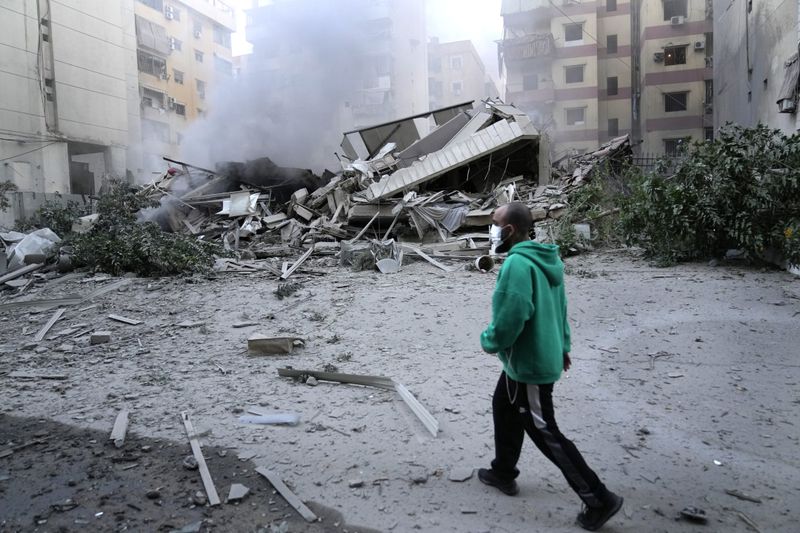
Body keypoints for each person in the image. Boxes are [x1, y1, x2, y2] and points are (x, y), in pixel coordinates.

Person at [478, 202, 623, 531]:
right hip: (537, 356)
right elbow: (561, 309)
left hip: (529, 365)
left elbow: (510, 318)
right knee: (503, 406)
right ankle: (503, 471)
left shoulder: (516, 265)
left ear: (510, 230)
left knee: (545, 431)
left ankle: (599, 498)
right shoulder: (547, 259)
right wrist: (564, 347)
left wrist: (490, 341)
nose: (492, 227)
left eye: (495, 222)